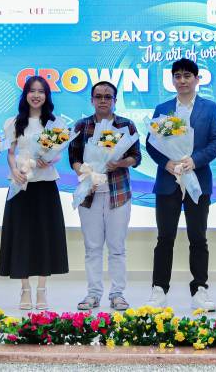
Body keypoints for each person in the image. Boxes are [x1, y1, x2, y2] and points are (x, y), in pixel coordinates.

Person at [145, 58, 216, 311]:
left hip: (197, 180)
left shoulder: (210, 108)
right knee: (164, 238)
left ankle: (200, 290)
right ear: (172, 80)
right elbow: (151, 143)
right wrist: (166, 163)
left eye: (187, 76)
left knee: (198, 238)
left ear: (197, 79)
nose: (182, 81)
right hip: (167, 181)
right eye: (177, 76)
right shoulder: (163, 108)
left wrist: (195, 160)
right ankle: (159, 290)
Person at [68, 81, 141, 311]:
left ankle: (117, 294)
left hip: (118, 194)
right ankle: (93, 294)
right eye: (98, 96)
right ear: (91, 100)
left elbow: (136, 157)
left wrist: (119, 162)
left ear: (115, 100)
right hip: (89, 194)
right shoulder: (82, 125)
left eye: (107, 97)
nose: (102, 100)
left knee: (117, 247)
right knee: (92, 248)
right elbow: (73, 157)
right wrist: (86, 173)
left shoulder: (126, 125)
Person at [0, 76, 68, 309]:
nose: (36, 95)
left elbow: (58, 153)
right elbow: (10, 153)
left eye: (41, 91)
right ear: (25, 94)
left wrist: (50, 159)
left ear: (47, 96)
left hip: (45, 185)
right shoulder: (13, 122)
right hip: (21, 185)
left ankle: (41, 290)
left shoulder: (55, 123)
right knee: (21, 237)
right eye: (32, 90)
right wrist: (14, 171)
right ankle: (25, 290)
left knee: (44, 237)